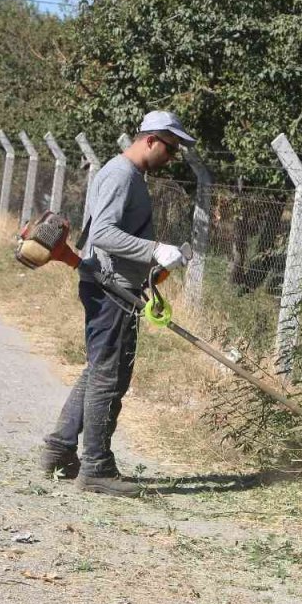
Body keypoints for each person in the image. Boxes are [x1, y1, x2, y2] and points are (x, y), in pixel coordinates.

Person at [38, 110, 195, 497]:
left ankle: (59, 449)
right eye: (171, 149)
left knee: (99, 372)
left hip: (117, 287)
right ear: (152, 140)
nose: (171, 158)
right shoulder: (121, 175)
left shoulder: (129, 176)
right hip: (109, 290)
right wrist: (155, 250)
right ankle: (96, 468)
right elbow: (104, 233)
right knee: (109, 378)